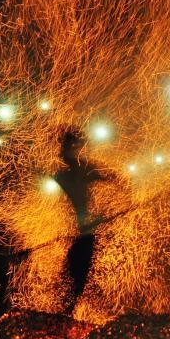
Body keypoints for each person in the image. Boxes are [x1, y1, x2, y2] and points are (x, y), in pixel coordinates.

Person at [53, 128, 110, 311]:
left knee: (76, 278)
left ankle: (68, 311)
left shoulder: (81, 170)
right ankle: (66, 311)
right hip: (80, 234)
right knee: (71, 277)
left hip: (84, 235)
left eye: (69, 148)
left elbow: (109, 177)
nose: (64, 153)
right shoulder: (66, 174)